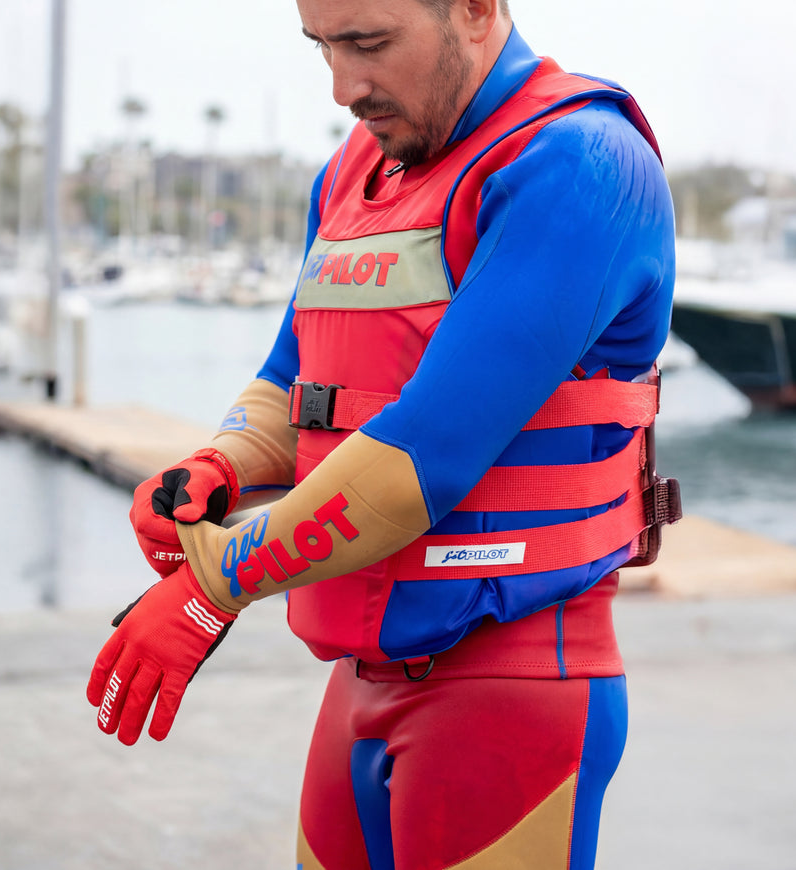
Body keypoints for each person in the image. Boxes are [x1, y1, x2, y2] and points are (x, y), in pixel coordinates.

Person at [87, 0, 681, 866]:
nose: (343, 86)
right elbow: (293, 383)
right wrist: (218, 466)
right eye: (322, 47)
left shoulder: (581, 164)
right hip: (358, 685)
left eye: (368, 43)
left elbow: (424, 453)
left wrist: (216, 580)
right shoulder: (352, 171)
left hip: (511, 686)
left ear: (475, 9)